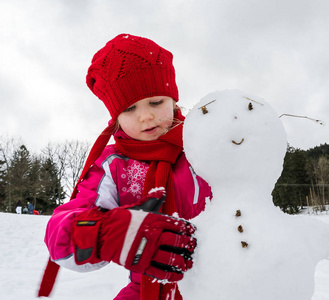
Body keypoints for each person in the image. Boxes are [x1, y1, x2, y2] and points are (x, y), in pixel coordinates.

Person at [40, 34, 211, 300]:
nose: (146, 116)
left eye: (156, 102)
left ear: (173, 100)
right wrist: (105, 234)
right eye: (129, 108)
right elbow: (59, 234)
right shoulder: (114, 166)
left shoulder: (208, 143)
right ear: (115, 117)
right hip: (148, 291)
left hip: (225, 284)